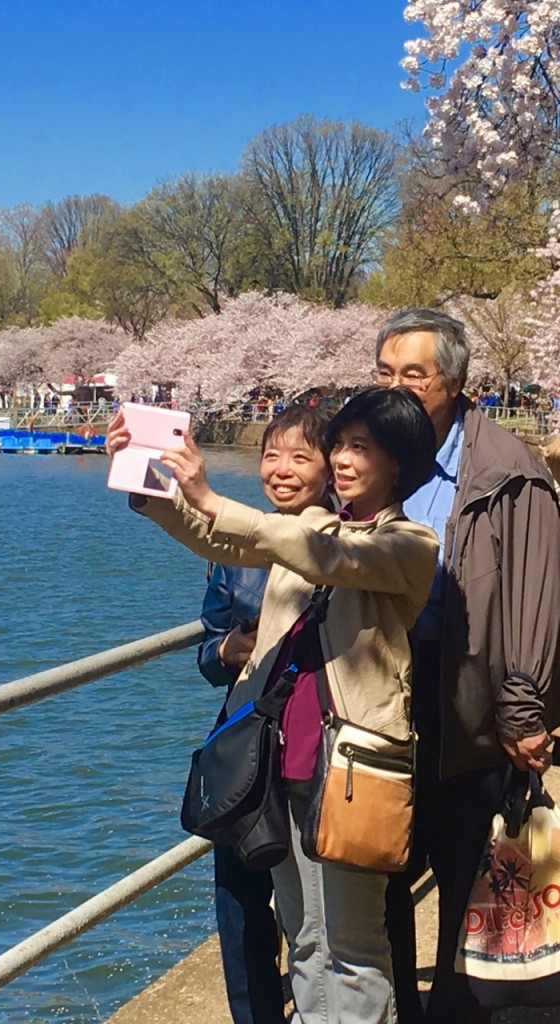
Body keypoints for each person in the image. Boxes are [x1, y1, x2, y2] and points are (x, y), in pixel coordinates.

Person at [107, 388, 439, 1024]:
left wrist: (207, 498)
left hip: (351, 770)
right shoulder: (314, 527)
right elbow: (232, 544)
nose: (340, 459)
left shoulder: (409, 545)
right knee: (307, 937)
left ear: (397, 463)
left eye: (359, 448)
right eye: (338, 445)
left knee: (355, 945)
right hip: (282, 765)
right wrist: (155, 496)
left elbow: (329, 558)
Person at [374, 308, 560, 1024]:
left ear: (453, 381)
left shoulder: (510, 472)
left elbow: (538, 600)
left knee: (463, 880)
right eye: (385, 373)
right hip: (381, 709)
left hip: (470, 714)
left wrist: (523, 711)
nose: (397, 387)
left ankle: (455, 1007)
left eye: (413, 375)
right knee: (381, 874)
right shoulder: (370, 456)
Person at [198, 407, 332, 1024]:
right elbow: (209, 650)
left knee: (318, 913)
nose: (282, 472)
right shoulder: (232, 547)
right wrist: (227, 649)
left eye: (301, 458)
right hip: (248, 742)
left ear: (331, 467)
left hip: (315, 744)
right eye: (272, 457)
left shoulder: (343, 538)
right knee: (240, 899)